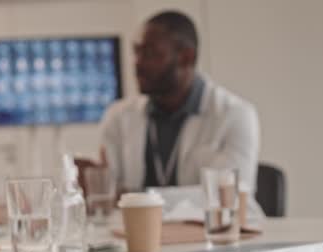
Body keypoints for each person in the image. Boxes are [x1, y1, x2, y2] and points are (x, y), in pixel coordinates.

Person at [99, 11, 260, 192]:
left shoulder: (235, 115)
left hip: (203, 222)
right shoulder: (118, 116)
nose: (137, 63)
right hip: (137, 222)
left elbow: (233, 196)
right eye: (136, 51)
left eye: (150, 53)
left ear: (186, 58)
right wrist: (94, 183)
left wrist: (142, 198)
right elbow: (108, 194)